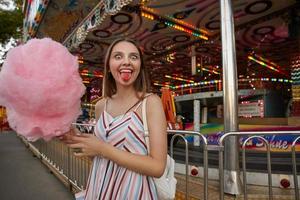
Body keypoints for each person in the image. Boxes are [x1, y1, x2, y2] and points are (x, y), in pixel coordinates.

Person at [61, 38, 167, 199]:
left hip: (132, 192)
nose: (126, 62)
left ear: (140, 66)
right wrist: (74, 139)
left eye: (133, 57)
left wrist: (103, 149)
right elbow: (98, 155)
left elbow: (158, 167)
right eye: (118, 56)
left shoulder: (151, 103)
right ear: (109, 67)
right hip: (100, 188)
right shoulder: (101, 106)